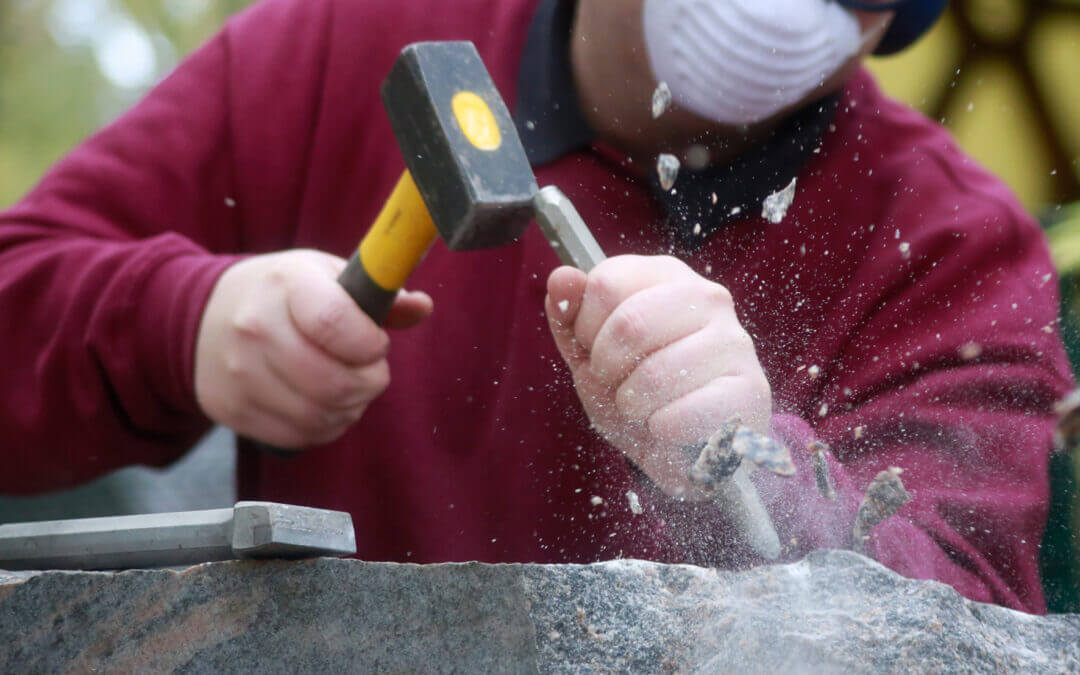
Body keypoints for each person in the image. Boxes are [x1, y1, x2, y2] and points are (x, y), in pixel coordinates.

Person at [0, 0, 1070, 614]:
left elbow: (963, 622)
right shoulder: (346, 40)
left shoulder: (954, 249)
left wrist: (758, 471)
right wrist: (178, 322)